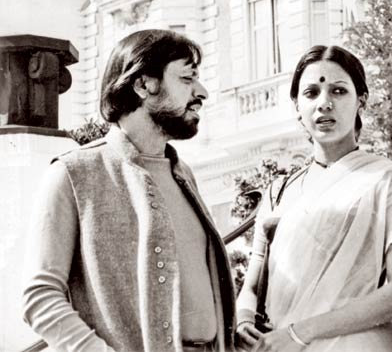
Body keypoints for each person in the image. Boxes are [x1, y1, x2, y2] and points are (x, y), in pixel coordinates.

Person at [22, 30, 236, 352]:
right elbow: (39, 298)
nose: (201, 92)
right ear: (143, 85)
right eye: (188, 78)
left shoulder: (183, 173)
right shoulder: (73, 174)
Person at [235, 45, 392, 352]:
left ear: (361, 99)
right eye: (311, 93)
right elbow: (253, 285)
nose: (324, 104)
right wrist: (244, 320)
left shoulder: (390, 180)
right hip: (279, 345)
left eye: (338, 91)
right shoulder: (279, 191)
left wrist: (302, 332)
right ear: (297, 105)